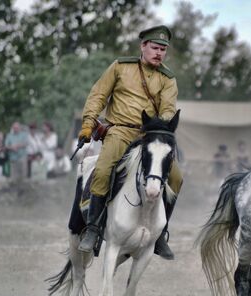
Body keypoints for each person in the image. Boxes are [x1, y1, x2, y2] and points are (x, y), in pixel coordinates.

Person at [77, 25, 181, 260]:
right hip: (120, 132)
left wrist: (159, 133)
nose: (159, 53)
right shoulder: (120, 67)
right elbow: (98, 95)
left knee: (176, 177)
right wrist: (88, 123)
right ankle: (93, 228)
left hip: (149, 136)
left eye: (163, 49)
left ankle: (160, 233)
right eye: (155, 47)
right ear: (143, 46)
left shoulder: (168, 79)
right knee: (102, 170)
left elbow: (167, 111)